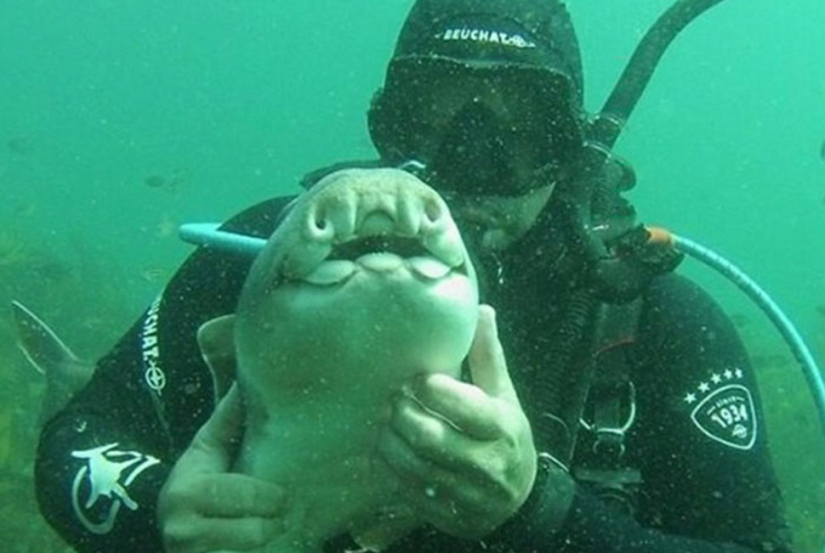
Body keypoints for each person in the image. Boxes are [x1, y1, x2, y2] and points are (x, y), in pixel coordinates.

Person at [35, 0, 794, 552]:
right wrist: (155, 519)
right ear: (386, 122)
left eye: (519, 127)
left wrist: (544, 514)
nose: (472, 161)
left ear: (570, 146)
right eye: (432, 114)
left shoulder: (657, 323)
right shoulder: (264, 257)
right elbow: (81, 436)